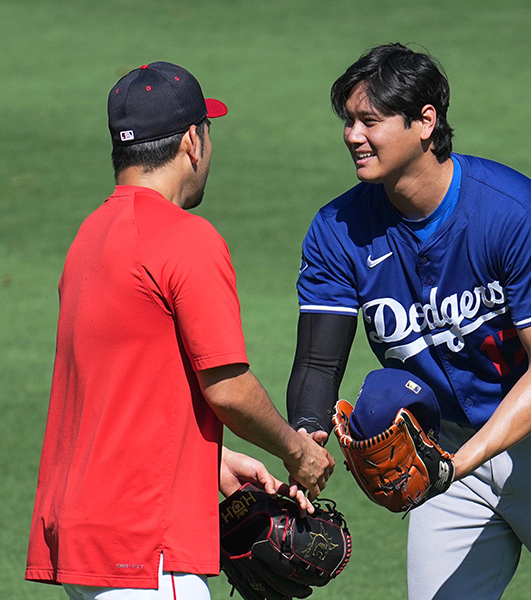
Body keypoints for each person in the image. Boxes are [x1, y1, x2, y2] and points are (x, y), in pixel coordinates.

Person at [287, 43, 531, 599]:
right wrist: (306, 442)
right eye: (348, 121)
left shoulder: (517, 214)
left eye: (370, 120)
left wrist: (453, 467)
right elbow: (317, 361)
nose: (353, 135)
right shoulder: (339, 229)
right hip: (445, 449)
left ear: (425, 121)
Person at [25, 61, 334, 600]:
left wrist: (209, 462)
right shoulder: (186, 239)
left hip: (80, 536)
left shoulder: (88, 240)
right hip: (145, 547)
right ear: (193, 140)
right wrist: (297, 451)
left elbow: (118, 393)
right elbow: (229, 389)